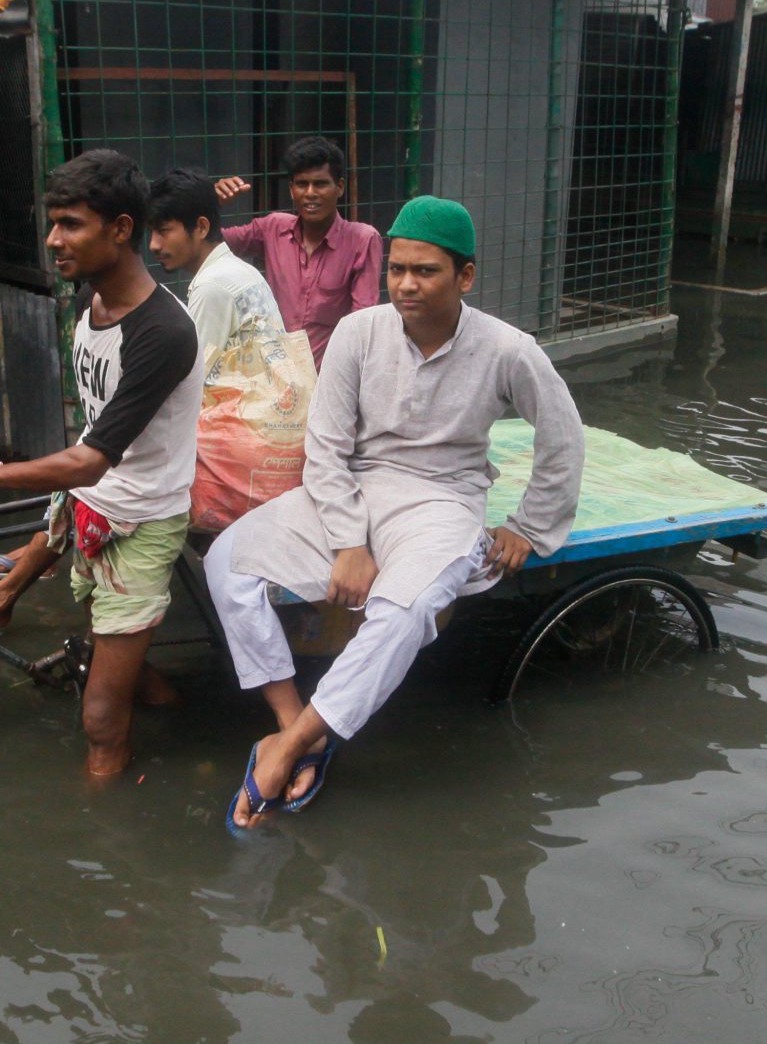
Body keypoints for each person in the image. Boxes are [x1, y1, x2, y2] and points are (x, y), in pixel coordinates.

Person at [205, 196, 584, 830]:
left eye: (426, 271)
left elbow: (564, 436)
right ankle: (293, 722)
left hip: (442, 500)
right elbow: (325, 445)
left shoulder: (507, 349)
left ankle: (292, 750)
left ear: (464, 276)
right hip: (351, 488)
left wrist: (528, 525)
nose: (407, 284)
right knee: (227, 561)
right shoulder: (359, 332)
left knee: (404, 612)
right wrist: (350, 541)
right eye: (398, 269)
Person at [0, 149, 201, 778]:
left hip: (139, 521)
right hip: (94, 505)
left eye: (72, 224)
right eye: (53, 222)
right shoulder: (91, 301)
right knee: (121, 660)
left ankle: (110, 853)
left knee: (101, 724)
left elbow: (88, 460)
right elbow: (94, 434)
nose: (54, 240)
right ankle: (170, 698)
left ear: (120, 229)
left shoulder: (163, 331)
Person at [212, 136, 384, 365]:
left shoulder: (362, 240)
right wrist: (211, 204)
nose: (311, 193)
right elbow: (209, 243)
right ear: (292, 190)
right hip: (273, 374)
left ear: (339, 187)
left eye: (321, 184)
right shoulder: (273, 228)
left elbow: (362, 323)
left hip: (329, 376)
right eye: (302, 184)